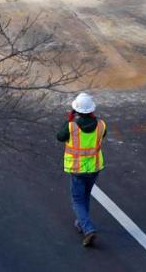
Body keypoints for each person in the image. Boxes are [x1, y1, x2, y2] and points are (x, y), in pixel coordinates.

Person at [57, 92, 107, 247]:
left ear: (76, 110)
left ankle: (88, 229)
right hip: (94, 168)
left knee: (77, 200)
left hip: (77, 169)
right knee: (85, 196)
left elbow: (60, 136)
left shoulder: (71, 126)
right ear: (92, 110)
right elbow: (101, 134)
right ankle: (81, 222)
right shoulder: (101, 125)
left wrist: (69, 120)